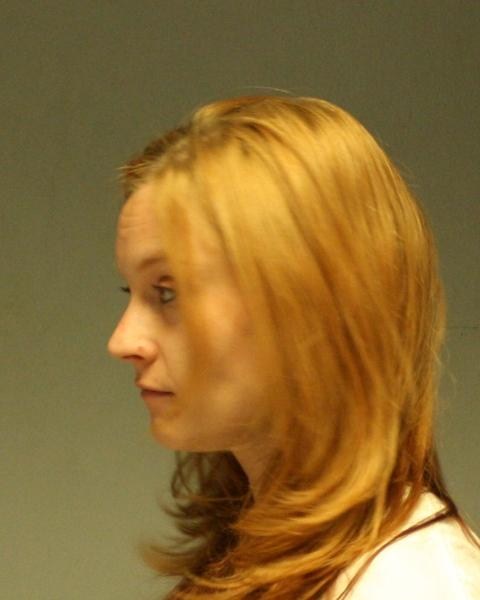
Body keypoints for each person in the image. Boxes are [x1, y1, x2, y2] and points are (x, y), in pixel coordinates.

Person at [107, 95, 480, 599]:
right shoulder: (269, 560)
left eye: (167, 292)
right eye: (131, 292)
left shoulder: (409, 583)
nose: (122, 341)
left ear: (311, 302)